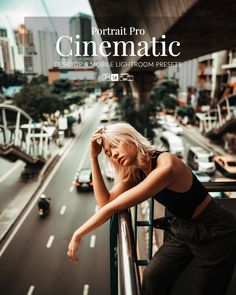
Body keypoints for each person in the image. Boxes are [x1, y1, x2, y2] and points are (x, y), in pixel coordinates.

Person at [67, 122, 236, 295]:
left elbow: (114, 207)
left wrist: (78, 233)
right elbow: (105, 202)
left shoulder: (166, 164)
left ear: (130, 137)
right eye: (109, 154)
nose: (114, 155)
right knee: (152, 277)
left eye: (115, 146)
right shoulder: (138, 171)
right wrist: (93, 158)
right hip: (184, 229)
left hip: (216, 232)